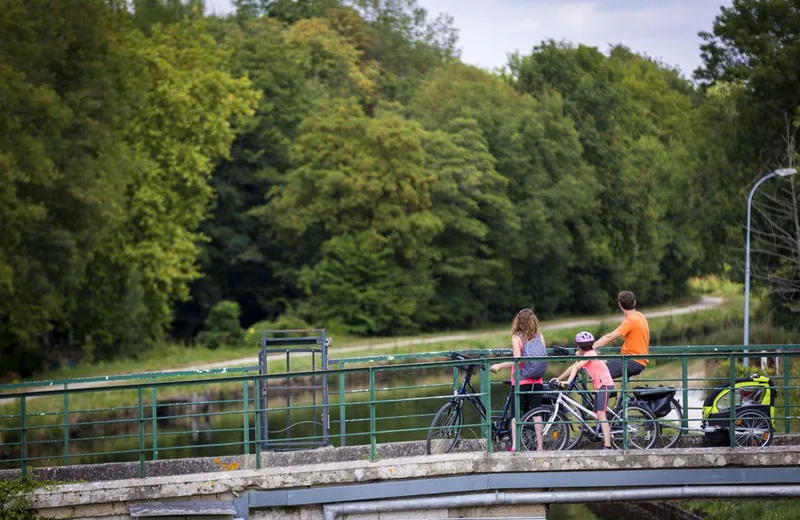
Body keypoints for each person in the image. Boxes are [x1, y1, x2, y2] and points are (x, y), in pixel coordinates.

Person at [490, 309, 545, 452]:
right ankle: (540, 447)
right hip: (537, 380)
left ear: (518, 321)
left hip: (521, 381)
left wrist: (500, 365)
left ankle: (515, 446)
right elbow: (543, 359)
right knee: (537, 414)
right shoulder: (539, 337)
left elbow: (517, 360)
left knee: (515, 414)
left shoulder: (517, 337)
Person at [554, 331, 614, 450]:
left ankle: (608, 445)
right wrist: (559, 378)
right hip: (601, 386)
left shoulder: (590, 354)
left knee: (601, 415)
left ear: (579, 346)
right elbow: (572, 367)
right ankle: (604, 433)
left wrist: (567, 382)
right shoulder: (588, 354)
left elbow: (576, 367)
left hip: (605, 385)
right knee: (597, 414)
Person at [592, 290, 650, 380]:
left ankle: (608, 393)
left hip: (632, 361)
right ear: (634, 302)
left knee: (600, 373)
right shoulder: (640, 316)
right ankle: (610, 393)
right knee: (604, 368)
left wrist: (591, 347)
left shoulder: (631, 321)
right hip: (637, 360)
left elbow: (610, 337)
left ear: (619, 305)